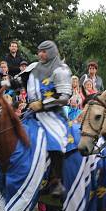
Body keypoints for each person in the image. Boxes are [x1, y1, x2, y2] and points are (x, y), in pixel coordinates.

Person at [9, 40, 72, 195]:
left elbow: (64, 96)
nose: (40, 54)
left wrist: (42, 104)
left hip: (53, 114)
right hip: (32, 114)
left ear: (51, 52)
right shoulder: (33, 68)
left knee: (55, 141)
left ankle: (57, 180)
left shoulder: (61, 70)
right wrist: (0, 82)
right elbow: (16, 82)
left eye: (44, 51)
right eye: (39, 51)